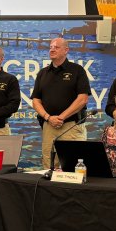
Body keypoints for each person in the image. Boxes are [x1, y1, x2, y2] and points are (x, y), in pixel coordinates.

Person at [32, 38, 90, 169]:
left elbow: (82, 99)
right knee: (49, 166)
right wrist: (48, 117)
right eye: (51, 47)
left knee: (73, 166)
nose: (52, 49)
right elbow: (36, 101)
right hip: (49, 126)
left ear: (66, 50)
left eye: (56, 47)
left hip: (71, 127)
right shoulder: (42, 73)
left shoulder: (77, 70)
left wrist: (61, 117)